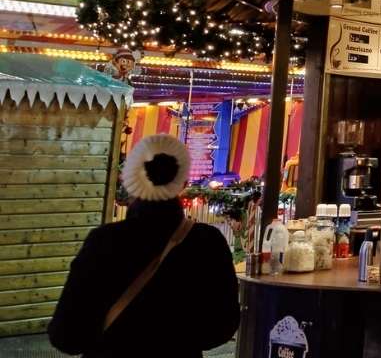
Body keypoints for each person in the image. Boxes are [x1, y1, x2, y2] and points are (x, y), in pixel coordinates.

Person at [48, 134, 239, 358]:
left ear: (129, 181)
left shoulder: (103, 243)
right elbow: (223, 326)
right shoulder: (207, 243)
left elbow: (66, 336)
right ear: (183, 183)